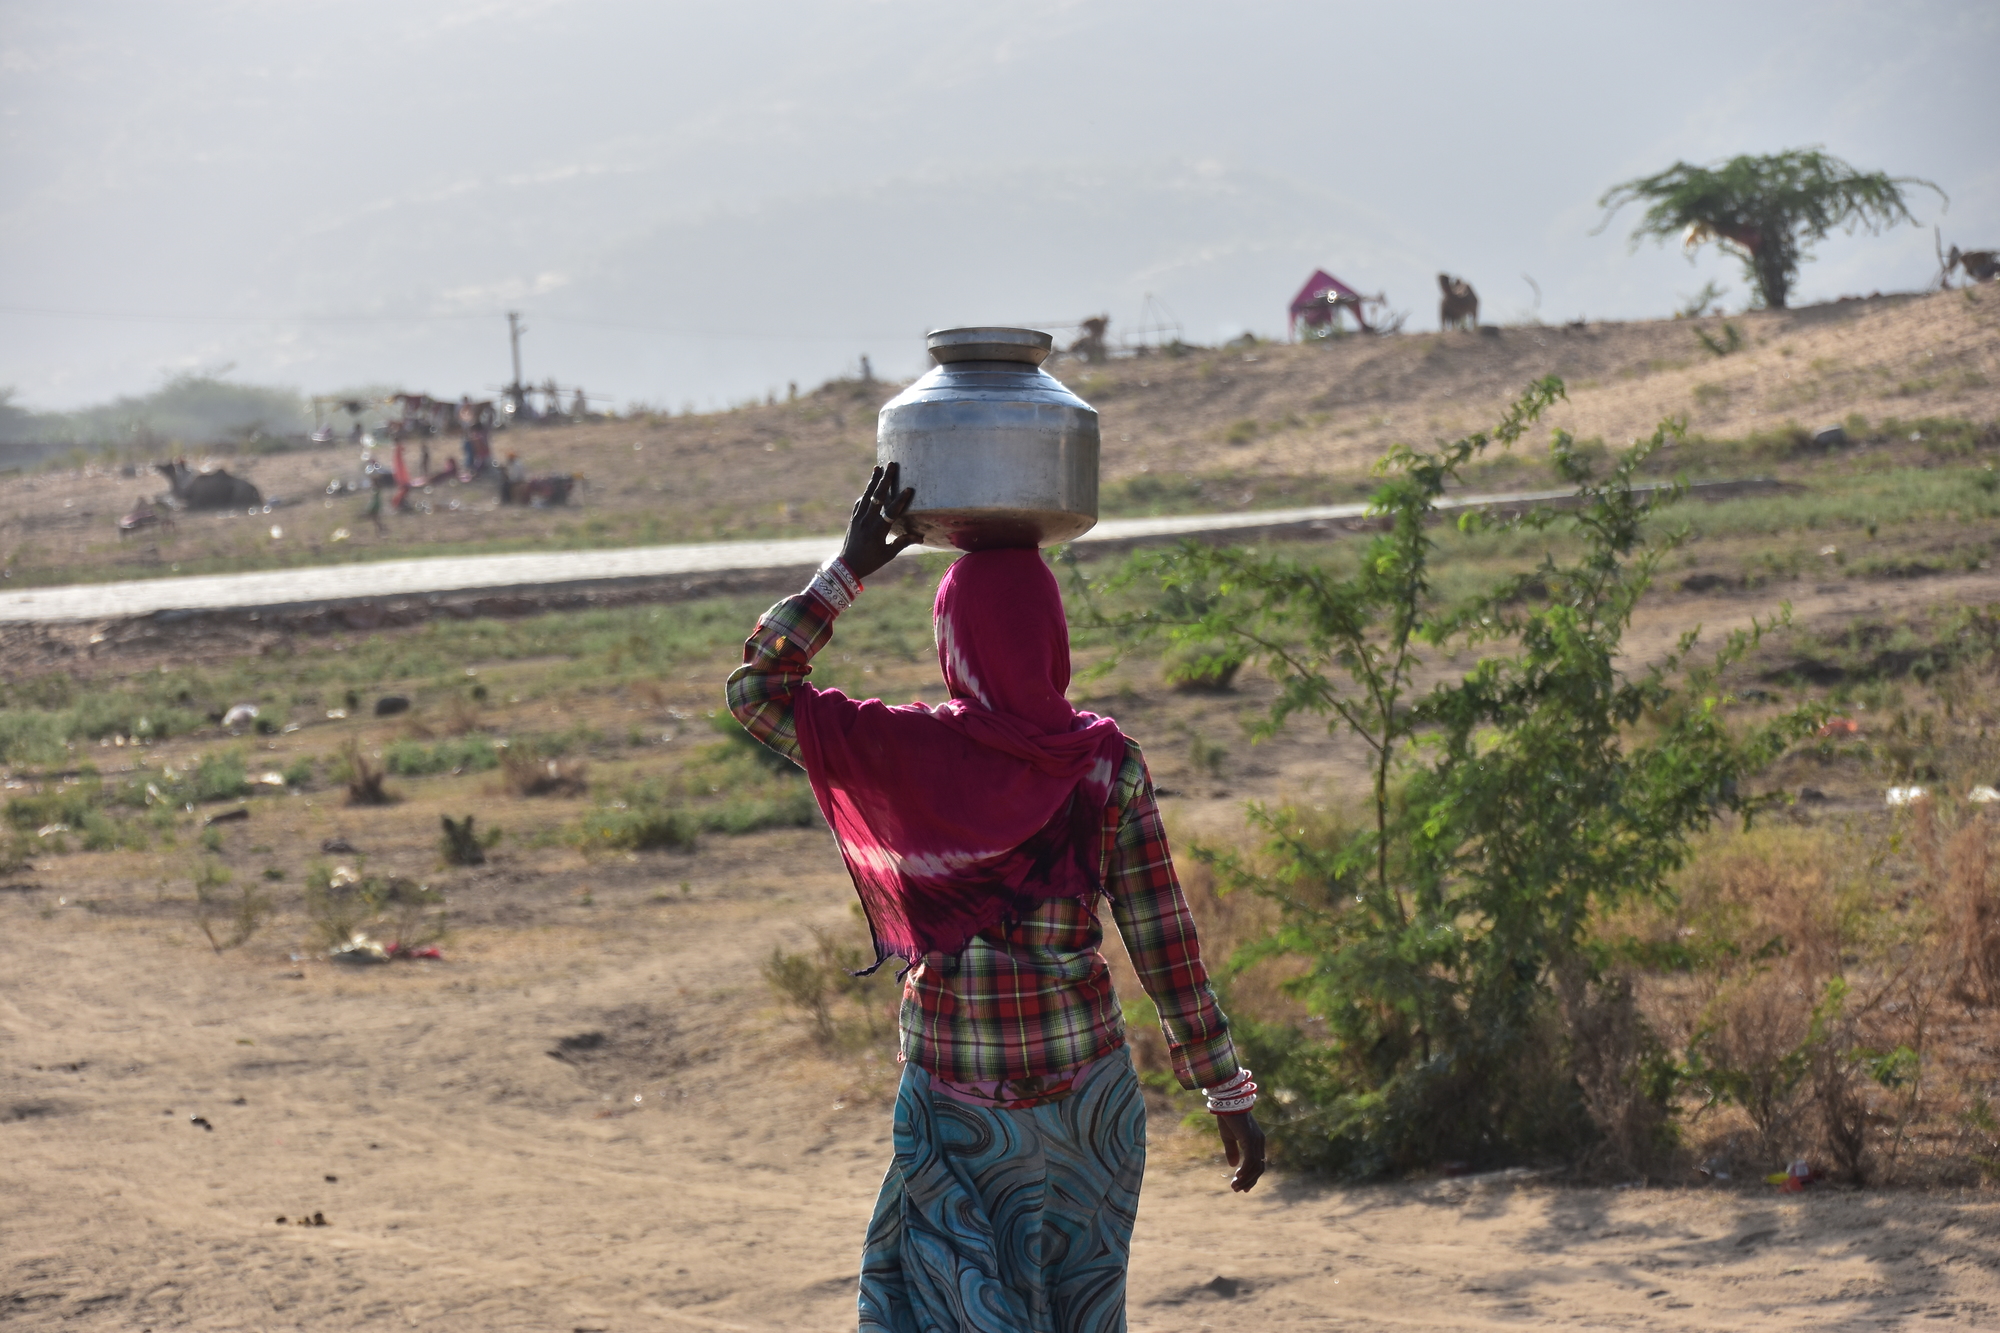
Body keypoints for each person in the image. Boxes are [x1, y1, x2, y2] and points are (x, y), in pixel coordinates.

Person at [726, 464, 1265, 1333]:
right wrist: (1224, 1089)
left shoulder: (910, 753)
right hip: (1088, 1105)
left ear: (955, 641)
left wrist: (848, 567)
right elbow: (1164, 941)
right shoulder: (1104, 762)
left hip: (953, 1102)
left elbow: (757, 693)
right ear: (1049, 637)